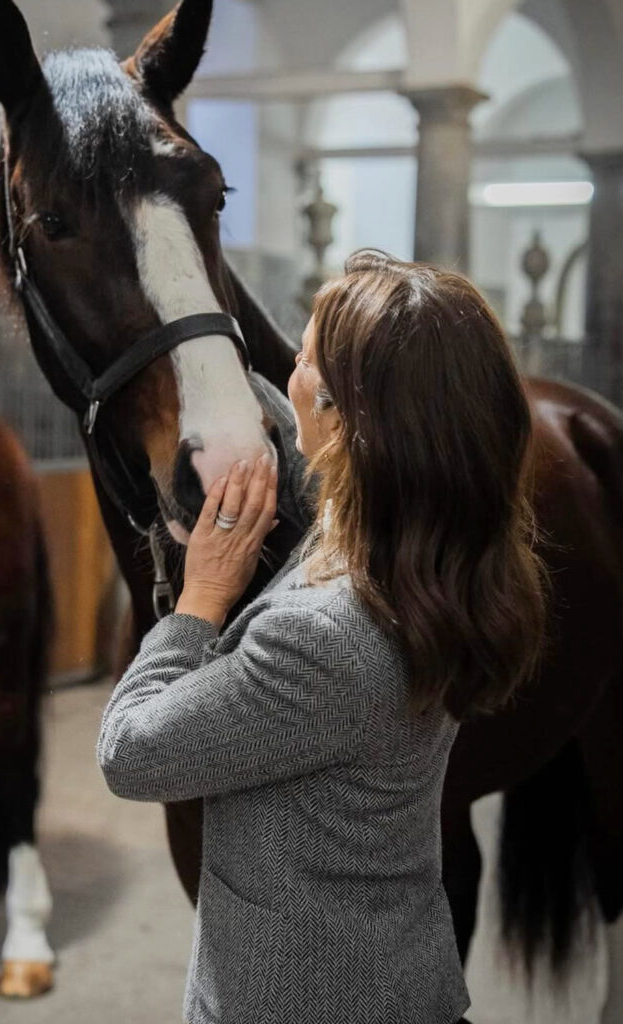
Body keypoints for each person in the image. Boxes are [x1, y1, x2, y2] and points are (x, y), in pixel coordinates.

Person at [97, 250, 548, 1024]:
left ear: (345, 417)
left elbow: (130, 753)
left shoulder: (325, 638)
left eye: (302, 358)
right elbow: (286, 423)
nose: (286, 374)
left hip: (302, 999)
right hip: (396, 977)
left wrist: (198, 600)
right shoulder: (421, 550)